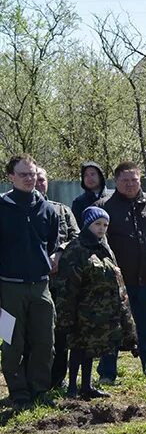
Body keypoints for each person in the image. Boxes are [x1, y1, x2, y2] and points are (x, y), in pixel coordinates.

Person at [99, 162, 146, 381]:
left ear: (140, 179)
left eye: (134, 180)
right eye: (125, 180)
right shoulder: (105, 206)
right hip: (116, 281)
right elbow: (96, 242)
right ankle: (107, 374)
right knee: (113, 327)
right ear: (116, 182)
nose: (130, 184)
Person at [55, 207, 136, 400]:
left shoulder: (104, 247)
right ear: (87, 225)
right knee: (78, 348)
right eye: (97, 224)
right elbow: (68, 286)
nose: (101, 229)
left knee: (91, 349)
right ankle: (72, 387)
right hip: (82, 310)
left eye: (105, 225)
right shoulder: (76, 249)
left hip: (101, 312)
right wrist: (66, 317)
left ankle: (86, 386)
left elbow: (116, 277)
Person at [0, 154, 59, 406]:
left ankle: (39, 389)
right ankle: (18, 391)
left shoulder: (47, 208)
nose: (29, 179)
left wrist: (56, 255)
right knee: (11, 340)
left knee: (45, 340)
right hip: (8, 288)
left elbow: (54, 243)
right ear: (10, 177)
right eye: (23, 174)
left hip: (41, 286)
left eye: (33, 174)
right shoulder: (2, 207)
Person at [35, 166, 78, 389]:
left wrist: (59, 252)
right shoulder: (17, 210)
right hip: (30, 283)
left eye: (42, 180)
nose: (38, 183)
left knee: (60, 331)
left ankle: (57, 378)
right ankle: (31, 379)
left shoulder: (62, 210)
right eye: (35, 179)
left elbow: (76, 237)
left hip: (60, 283)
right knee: (30, 332)